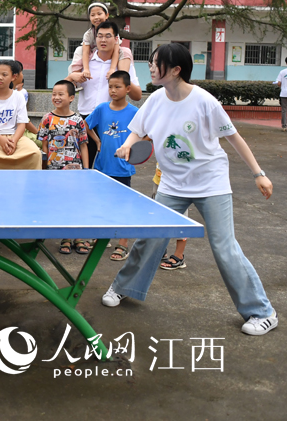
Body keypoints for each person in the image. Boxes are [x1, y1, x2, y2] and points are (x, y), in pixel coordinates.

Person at [102, 43, 278, 336]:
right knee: (150, 238)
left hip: (211, 183)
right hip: (172, 184)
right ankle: (123, 286)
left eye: (156, 62)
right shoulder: (156, 100)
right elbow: (137, 129)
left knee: (224, 246)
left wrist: (258, 174)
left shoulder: (205, 101)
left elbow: (234, 138)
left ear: (175, 70)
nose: (151, 66)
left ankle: (263, 312)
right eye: (151, 62)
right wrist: (128, 145)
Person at [65, 20, 142, 167]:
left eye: (108, 36)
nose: (103, 40)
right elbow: (64, 89)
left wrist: (122, 76)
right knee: (81, 166)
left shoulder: (122, 64)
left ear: (116, 39)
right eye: (100, 36)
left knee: (112, 166)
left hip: (111, 122)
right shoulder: (86, 62)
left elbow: (137, 96)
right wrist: (71, 77)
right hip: (87, 121)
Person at [85, 70, 138, 261]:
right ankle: (102, 237)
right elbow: (86, 125)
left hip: (122, 168)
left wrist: (133, 149)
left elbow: (145, 133)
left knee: (123, 205)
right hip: (102, 166)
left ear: (128, 89)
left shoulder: (134, 112)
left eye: (117, 87)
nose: (113, 90)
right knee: (101, 203)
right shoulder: (101, 108)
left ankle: (123, 244)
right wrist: (97, 141)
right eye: (110, 87)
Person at [37, 80, 91, 255]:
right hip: (54, 171)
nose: (56, 97)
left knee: (76, 202)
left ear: (71, 98)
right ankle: (66, 237)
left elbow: (83, 145)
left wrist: (86, 170)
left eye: (61, 94)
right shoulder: (47, 119)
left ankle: (79, 237)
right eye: (54, 94)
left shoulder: (78, 120)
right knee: (61, 203)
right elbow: (44, 145)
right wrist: (45, 169)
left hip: (75, 171)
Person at [0, 61, 42, 170]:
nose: (0, 77)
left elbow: (22, 124)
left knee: (34, 153)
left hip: (14, 136)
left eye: (4, 74)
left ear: (13, 77)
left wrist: (14, 141)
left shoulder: (18, 97)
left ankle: (28, 181)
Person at [70, 3, 132, 82]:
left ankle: (122, 78)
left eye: (99, 14)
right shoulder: (88, 34)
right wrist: (86, 69)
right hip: (93, 54)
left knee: (125, 51)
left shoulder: (113, 32)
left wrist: (112, 69)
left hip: (109, 53)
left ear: (106, 15)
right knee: (79, 49)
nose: (96, 17)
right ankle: (74, 78)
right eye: (93, 15)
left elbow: (116, 50)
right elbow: (85, 52)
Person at [11, 59, 40, 147]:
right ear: (15, 76)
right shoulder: (16, 95)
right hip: (17, 133)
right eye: (21, 72)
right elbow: (25, 122)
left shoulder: (16, 93)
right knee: (45, 142)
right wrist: (39, 134)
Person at [275, 56, 287, 131]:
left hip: (284, 94)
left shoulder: (282, 72)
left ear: (286, 62)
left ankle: (284, 126)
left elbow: (279, 83)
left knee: (284, 110)